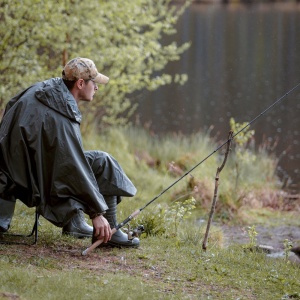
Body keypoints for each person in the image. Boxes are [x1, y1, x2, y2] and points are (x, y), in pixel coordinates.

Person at [0, 57, 139, 248]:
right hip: (33, 181)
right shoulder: (61, 115)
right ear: (80, 83)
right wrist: (97, 213)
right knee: (103, 162)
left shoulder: (45, 90)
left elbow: (10, 105)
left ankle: (75, 224)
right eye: (94, 83)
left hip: (19, 170)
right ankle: (109, 231)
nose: (97, 88)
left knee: (99, 161)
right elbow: (72, 167)